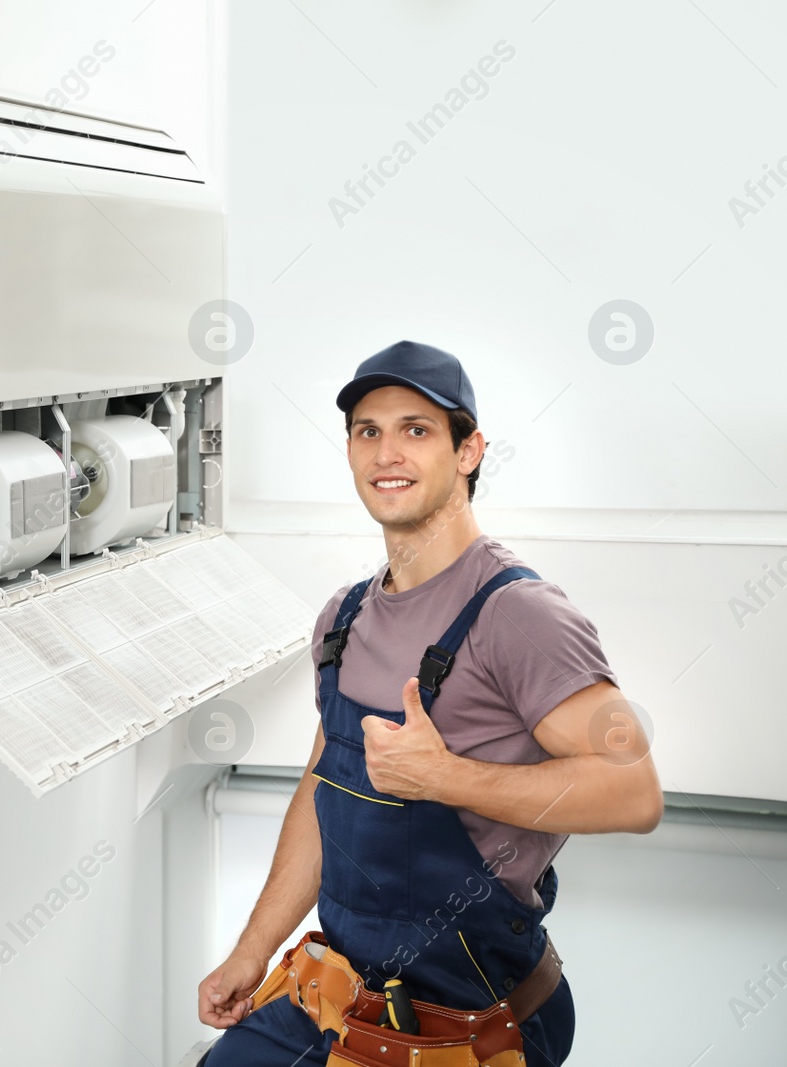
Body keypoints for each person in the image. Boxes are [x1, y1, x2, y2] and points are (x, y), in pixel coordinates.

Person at [195, 340, 663, 1067]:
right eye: (368, 430)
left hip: (473, 1022)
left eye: (416, 429)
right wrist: (249, 954)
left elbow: (634, 790)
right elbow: (323, 792)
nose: (388, 451)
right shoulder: (342, 619)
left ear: (469, 450)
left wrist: (445, 778)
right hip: (345, 1001)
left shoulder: (518, 614)